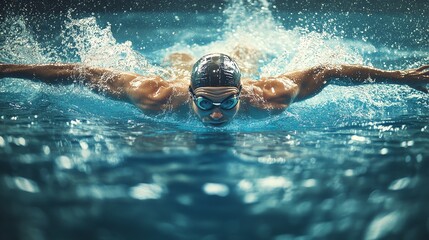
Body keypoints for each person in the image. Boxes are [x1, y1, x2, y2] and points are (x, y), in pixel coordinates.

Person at [1, 53, 428, 127]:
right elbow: (76, 71)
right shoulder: (155, 96)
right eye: (204, 101)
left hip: (253, 76)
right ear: (191, 94)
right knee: (165, 70)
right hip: (169, 79)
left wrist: (405, 77)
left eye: (227, 101)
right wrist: (8, 69)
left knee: (251, 56)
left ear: (243, 94)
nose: (216, 113)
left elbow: (327, 70)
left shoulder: (271, 96)